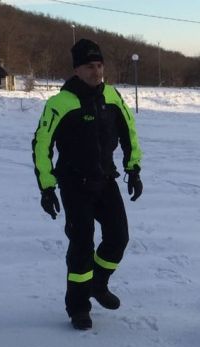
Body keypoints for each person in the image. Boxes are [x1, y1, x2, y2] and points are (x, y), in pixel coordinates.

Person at [31, 39, 143, 330]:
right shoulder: (60, 103)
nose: (96, 71)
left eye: (99, 65)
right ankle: (78, 306)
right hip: (74, 184)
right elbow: (41, 145)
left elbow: (129, 132)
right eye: (89, 66)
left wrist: (133, 168)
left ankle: (98, 283)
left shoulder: (111, 96)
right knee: (81, 245)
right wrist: (46, 186)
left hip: (106, 180)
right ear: (76, 69)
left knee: (118, 238)